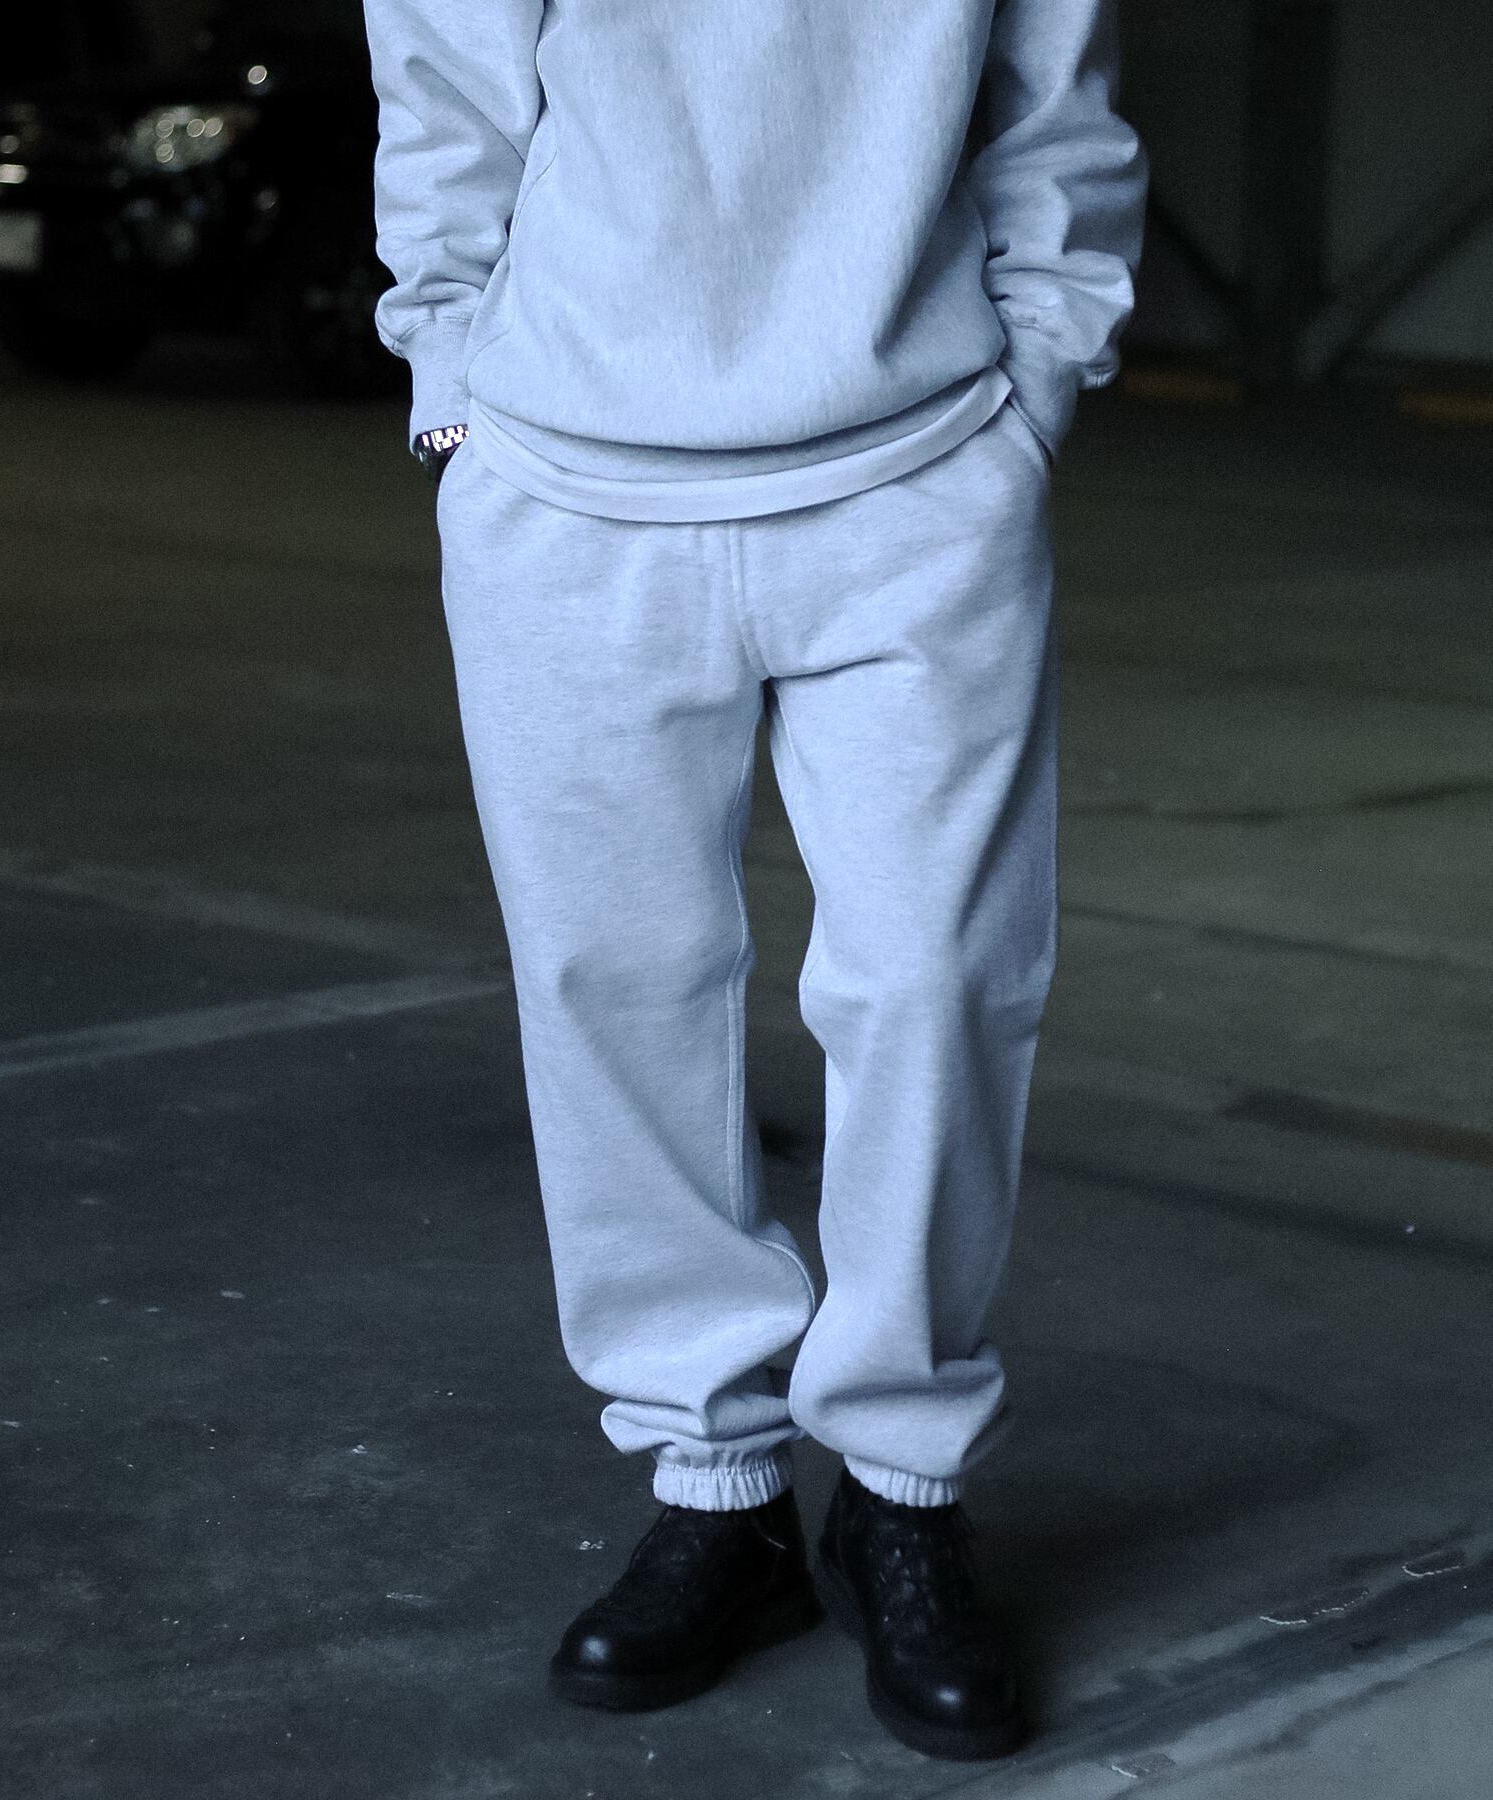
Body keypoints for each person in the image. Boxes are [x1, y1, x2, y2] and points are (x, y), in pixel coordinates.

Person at [361, 0, 1146, 1762]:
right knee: (613, 990)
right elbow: (443, 93)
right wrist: (452, 395)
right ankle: (714, 1485)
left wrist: (1037, 384)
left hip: (920, 477)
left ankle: (900, 1487)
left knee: (939, 982)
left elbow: (1056, 108)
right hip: (567, 480)